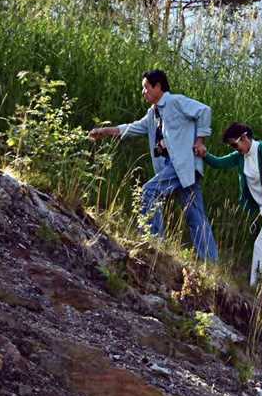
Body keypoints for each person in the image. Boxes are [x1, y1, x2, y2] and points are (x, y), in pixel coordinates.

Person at [88, 70, 218, 262]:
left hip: (182, 163)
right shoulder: (153, 114)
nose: (144, 92)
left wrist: (199, 141)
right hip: (175, 168)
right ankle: (211, 262)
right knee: (195, 215)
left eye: (146, 87)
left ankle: (154, 243)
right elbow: (132, 128)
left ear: (158, 87)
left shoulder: (175, 101)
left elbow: (204, 111)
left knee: (149, 192)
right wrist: (105, 131)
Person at [198, 122, 262, 314]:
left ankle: (259, 295)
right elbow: (220, 163)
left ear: (244, 137)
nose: (234, 149)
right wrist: (204, 155)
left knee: (261, 247)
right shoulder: (241, 156)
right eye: (231, 147)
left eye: (234, 145)